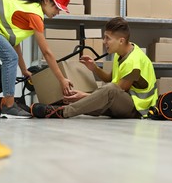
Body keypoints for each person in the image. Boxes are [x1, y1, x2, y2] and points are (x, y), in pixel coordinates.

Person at [30, 17, 158, 119]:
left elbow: (115, 91)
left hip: (138, 110)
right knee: (93, 98)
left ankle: (63, 112)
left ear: (121, 40)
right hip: (122, 101)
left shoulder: (134, 62)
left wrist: (85, 96)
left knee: (103, 94)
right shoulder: (121, 54)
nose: (104, 41)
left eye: (107, 38)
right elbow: (110, 79)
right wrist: (94, 68)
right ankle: (55, 107)